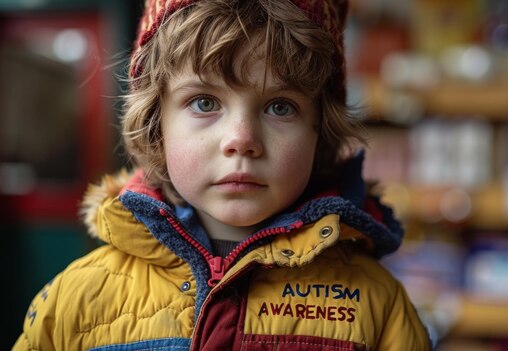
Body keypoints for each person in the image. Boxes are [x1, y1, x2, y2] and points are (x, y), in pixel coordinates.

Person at [13, 0, 432, 349]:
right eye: (204, 102)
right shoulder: (76, 299)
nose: (241, 139)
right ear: (157, 123)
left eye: (280, 106)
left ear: (319, 131)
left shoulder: (376, 306)